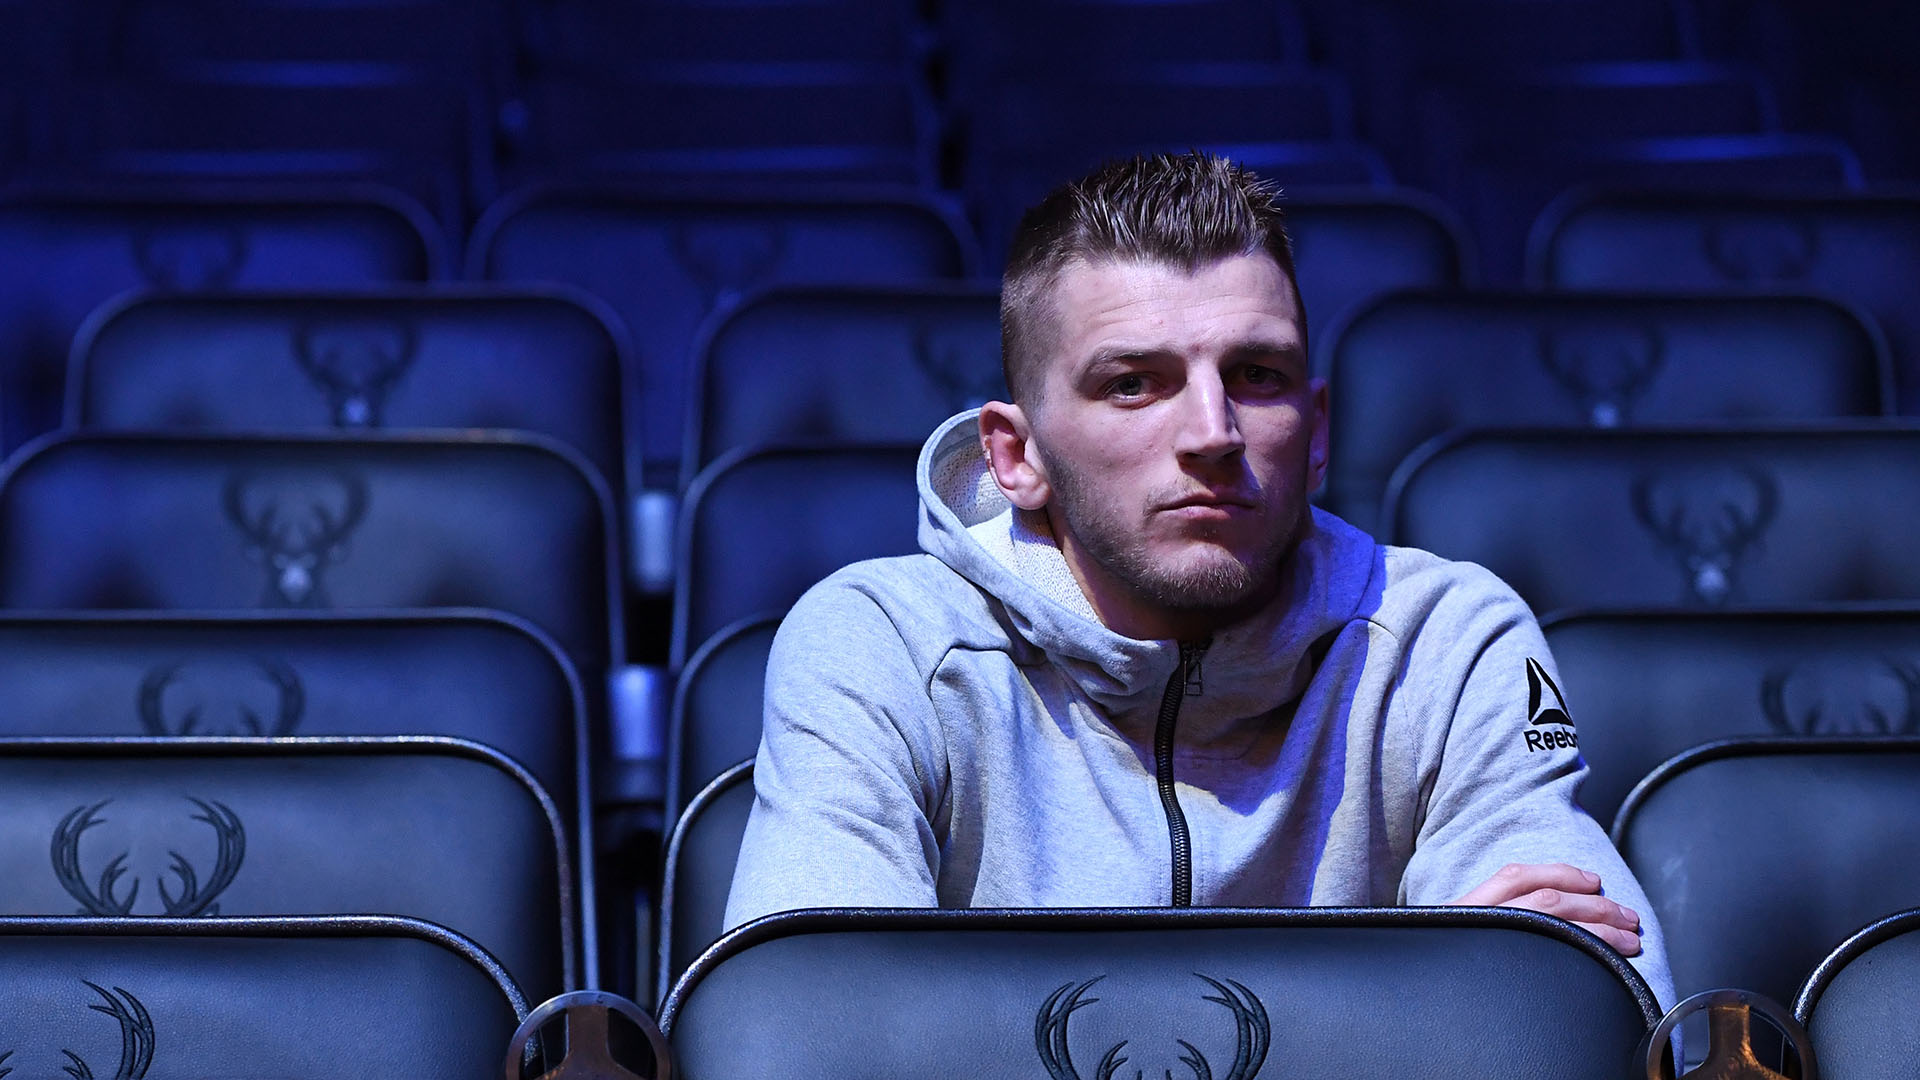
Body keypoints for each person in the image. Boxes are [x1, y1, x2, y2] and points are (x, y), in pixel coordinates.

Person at [725, 151, 1672, 1003]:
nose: (1213, 434)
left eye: (1257, 375)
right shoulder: (881, 644)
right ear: (1016, 455)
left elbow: (1591, 1007)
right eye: (1133, 383)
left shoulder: (1448, 640)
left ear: (1318, 433)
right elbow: (812, 1029)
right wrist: (1421, 994)